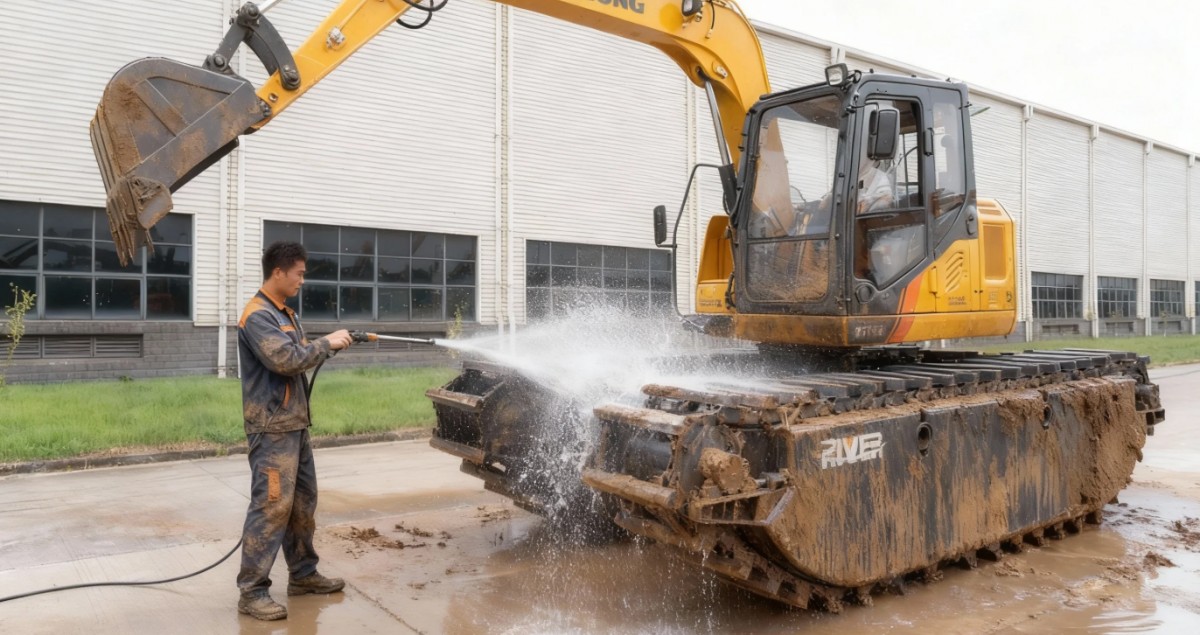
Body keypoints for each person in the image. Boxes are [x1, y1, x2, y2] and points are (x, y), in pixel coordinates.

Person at [235, 241, 354, 621]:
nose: (302, 280)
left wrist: (326, 345)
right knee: (271, 508)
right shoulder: (257, 316)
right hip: (272, 429)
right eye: (299, 273)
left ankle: (303, 575)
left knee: (303, 504)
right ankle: (252, 592)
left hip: (294, 426)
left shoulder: (283, 313)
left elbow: (301, 352)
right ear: (278, 272)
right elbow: (286, 360)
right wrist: (325, 343)